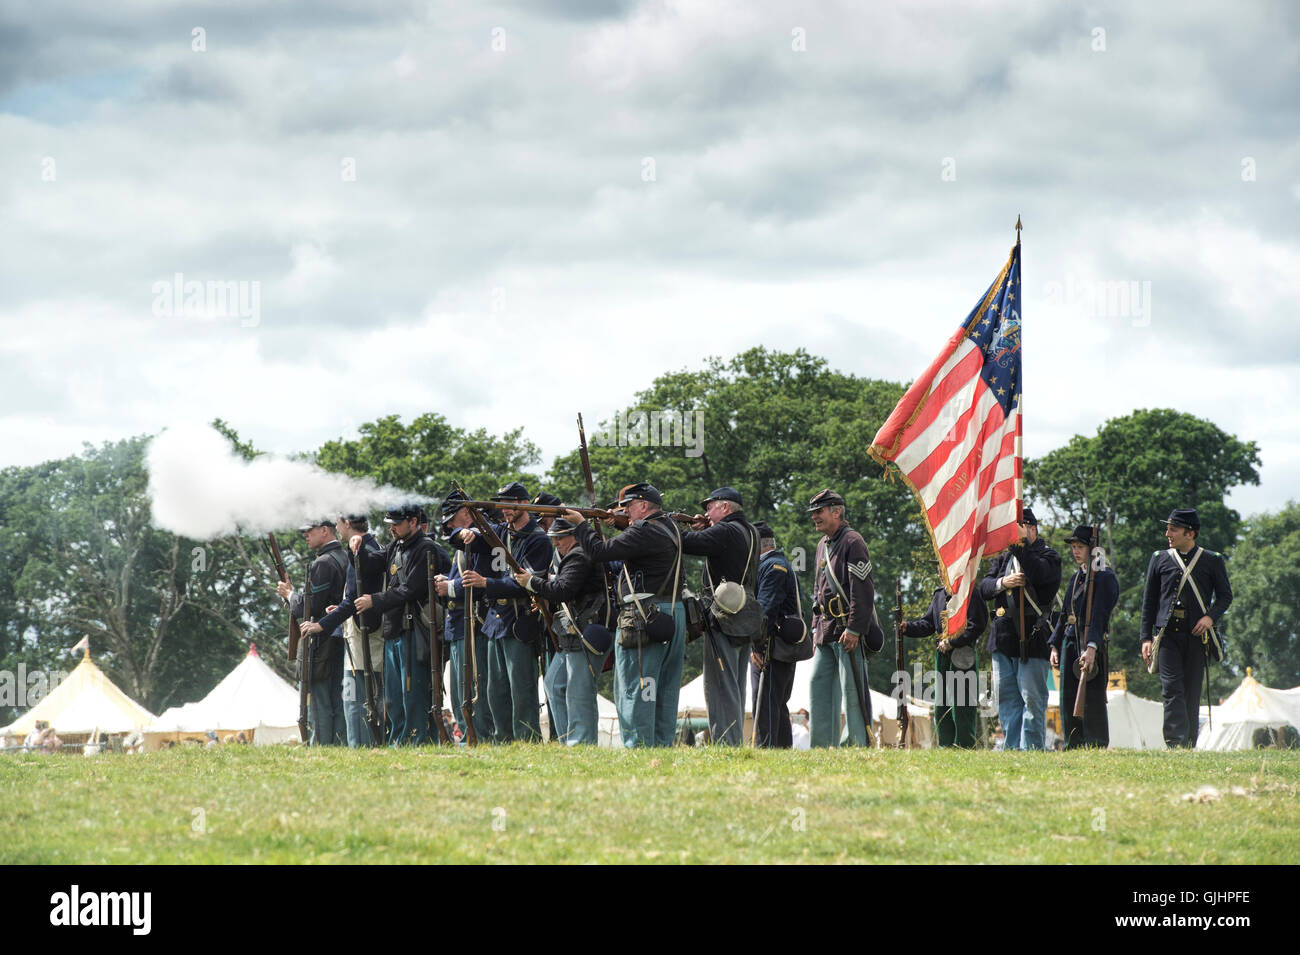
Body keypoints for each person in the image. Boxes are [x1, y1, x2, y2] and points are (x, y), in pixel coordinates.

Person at [563, 482, 686, 747]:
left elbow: (598, 552)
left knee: (636, 687)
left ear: (643, 506)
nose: (625, 512)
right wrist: (621, 524)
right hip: (673, 613)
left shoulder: (643, 531)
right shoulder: (669, 526)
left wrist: (582, 525)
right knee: (662, 688)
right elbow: (639, 543)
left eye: (628, 507)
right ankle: (661, 748)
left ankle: (637, 749)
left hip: (644, 615)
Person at [456, 482, 551, 743]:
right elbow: (462, 536)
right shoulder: (500, 533)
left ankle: (527, 741)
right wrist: (470, 533)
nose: (505, 511)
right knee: (494, 691)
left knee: (522, 691)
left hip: (520, 621)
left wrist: (486, 583)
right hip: (495, 622)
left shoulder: (538, 540)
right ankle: (503, 742)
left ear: (523, 504)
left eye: (510, 504)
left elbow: (525, 582)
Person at [1140, 508, 1233, 748]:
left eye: (1173, 529)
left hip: (1196, 637)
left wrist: (1210, 618)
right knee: (1171, 689)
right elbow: (1149, 602)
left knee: (1191, 692)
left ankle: (1189, 743)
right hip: (1167, 636)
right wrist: (1145, 638)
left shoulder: (1212, 560)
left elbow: (1225, 596)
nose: (1167, 533)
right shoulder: (1159, 558)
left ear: (1190, 533)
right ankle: (1174, 742)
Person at [515, 517, 612, 745]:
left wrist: (532, 582)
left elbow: (563, 589)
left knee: (579, 692)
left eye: (560, 537)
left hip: (583, 631)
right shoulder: (572, 556)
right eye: (554, 538)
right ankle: (568, 739)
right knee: (554, 683)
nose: (556, 542)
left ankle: (582, 743)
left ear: (575, 536)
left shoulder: (579, 555)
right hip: (572, 632)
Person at [354, 504, 441, 745]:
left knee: (411, 693)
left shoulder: (426, 548)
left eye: (397, 523)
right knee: (393, 696)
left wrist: (374, 600)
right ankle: (400, 741)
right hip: (395, 629)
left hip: (414, 630)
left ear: (413, 522)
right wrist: (358, 546)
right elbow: (371, 564)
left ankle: (416, 740)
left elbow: (411, 589)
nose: (391, 528)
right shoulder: (396, 545)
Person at [303, 513, 391, 747]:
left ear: (347, 524)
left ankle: (361, 748)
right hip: (364, 633)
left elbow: (353, 599)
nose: (337, 527)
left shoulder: (362, 551)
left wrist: (321, 624)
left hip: (365, 637)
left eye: (339, 523)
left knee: (356, 702)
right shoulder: (371, 547)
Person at [978, 507, 1061, 751]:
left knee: (1032, 700)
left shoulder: (1049, 556)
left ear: (1032, 529)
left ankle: (1031, 750)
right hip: (1003, 638)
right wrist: (1003, 582)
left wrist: (1021, 545)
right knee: (1007, 701)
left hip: (1033, 637)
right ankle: (1013, 749)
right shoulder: (1005, 558)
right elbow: (984, 588)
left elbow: (1038, 573)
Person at [682, 487, 759, 746]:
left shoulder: (725, 530)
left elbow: (685, 543)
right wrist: (705, 529)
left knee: (720, 683)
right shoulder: (751, 531)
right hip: (745, 610)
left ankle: (726, 742)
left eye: (710, 506)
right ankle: (733, 740)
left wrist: (666, 527)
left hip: (724, 614)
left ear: (725, 507)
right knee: (735, 683)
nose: (706, 512)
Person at [808, 489, 878, 747]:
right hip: (825, 628)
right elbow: (818, 589)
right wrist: (815, 627)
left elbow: (863, 589)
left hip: (847, 629)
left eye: (819, 511)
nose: (815, 517)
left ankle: (857, 743)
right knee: (819, 685)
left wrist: (855, 628)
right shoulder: (822, 545)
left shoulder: (852, 541)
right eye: (813, 512)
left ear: (836, 512)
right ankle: (822, 745)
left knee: (852, 689)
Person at [278, 519, 350, 746]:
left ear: (325, 530)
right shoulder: (345, 557)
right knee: (336, 698)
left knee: (319, 700)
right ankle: (338, 745)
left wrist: (289, 595)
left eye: (309, 531)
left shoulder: (323, 563)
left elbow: (310, 607)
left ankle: (319, 745)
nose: (305, 535)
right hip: (340, 636)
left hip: (322, 639)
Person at [435, 491, 497, 744]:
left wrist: (449, 587)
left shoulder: (486, 539)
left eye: (454, 517)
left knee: (474, 690)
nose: (450, 525)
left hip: (474, 623)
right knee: (460, 690)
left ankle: (479, 737)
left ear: (467, 513)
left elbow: (477, 579)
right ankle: (468, 736)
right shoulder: (464, 542)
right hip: (458, 625)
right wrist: (445, 584)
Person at [1050, 524, 1118, 749]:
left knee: (1093, 697)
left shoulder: (1104, 577)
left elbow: (1099, 615)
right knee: (1068, 696)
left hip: (1090, 642)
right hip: (1071, 640)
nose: (1075, 551)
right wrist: (1055, 645)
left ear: (1092, 548)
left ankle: (1096, 742)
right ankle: (1073, 743)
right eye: (1074, 546)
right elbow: (1064, 615)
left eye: (1080, 546)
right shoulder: (1076, 577)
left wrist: (1091, 646)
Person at [898, 586, 988, 747]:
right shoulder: (939, 594)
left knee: (962, 708)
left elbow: (977, 625)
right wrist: (908, 628)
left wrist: (952, 642)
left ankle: (965, 747)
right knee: (941, 707)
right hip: (943, 656)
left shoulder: (970, 590)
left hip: (963, 654)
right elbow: (928, 624)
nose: (941, 572)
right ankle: (946, 747)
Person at [750, 521, 800, 748]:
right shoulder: (774, 565)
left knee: (766, 704)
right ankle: (780, 752)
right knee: (775, 704)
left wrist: (757, 647)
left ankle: (766, 751)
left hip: (772, 646)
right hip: (776, 645)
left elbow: (765, 611)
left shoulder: (773, 567)